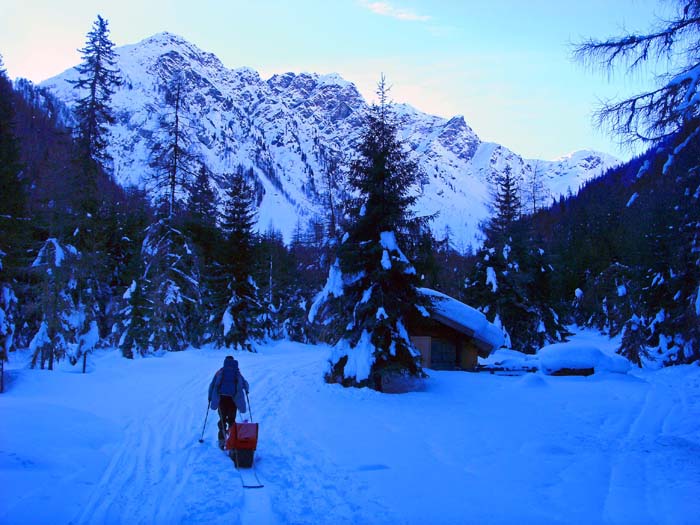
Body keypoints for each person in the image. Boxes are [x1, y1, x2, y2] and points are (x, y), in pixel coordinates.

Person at [208, 355, 249, 449]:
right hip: (232, 400)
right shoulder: (236, 372)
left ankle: (222, 441)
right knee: (231, 419)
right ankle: (231, 439)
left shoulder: (221, 371)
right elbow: (244, 383)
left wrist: (210, 397)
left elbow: (212, 384)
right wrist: (246, 390)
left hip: (222, 399)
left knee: (222, 419)